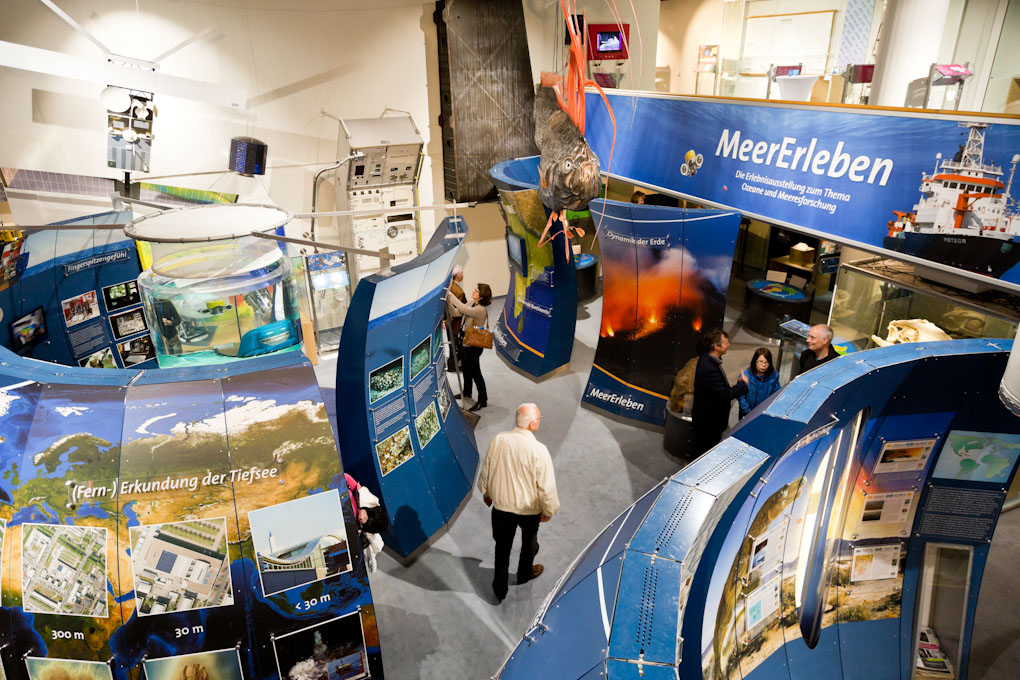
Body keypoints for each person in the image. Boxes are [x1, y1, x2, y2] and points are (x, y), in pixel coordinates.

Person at [477, 403, 559, 604]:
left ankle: (499, 589)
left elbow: (487, 469)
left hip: (502, 509)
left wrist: (486, 493)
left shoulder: (498, 440)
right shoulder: (540, 450)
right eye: (539, 419)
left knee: (502, 548)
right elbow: (546, 487)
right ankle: (524, 573)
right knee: (529, 543)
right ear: (532, 424)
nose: (539, 421)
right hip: (529, 511)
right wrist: (549, 510)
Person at [692, 329, 748, 456]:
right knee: (705, 453)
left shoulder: (707, 359)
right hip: (708, 423)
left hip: (707, 420)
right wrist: (742, 384)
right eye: (726, 343)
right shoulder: (710, 368)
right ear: (716, 347)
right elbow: (725, 394)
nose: (729, 345)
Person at [445, 282, 492, 412]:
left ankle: (483, 400)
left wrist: (449, 294)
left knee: (475, 372)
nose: (473, 291)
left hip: (473, 346)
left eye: (476, 291)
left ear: (481, 296)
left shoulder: (480, 310)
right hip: (465, 342)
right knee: (465, 369)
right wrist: (448, 302)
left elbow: (461, 307)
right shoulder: (472, 302)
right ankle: (467, 393)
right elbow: (456, 313)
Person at [344, 473, 389, 573]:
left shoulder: (354, 524)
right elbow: (343, 476)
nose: (362, 519)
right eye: (367, 517)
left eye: (365, 523)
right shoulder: (358, 493)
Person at [738, 348, 781, 419]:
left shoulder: (774, 375)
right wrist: (748, 413)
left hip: (765, 414)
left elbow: (777, 393)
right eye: (760, 362)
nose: (763, 365)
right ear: (755, 362)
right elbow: (741, 397)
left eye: (766, 362)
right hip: (747, 414)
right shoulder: (746, 375)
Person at [446, 265, 467, 370]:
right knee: (455, 345)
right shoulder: (459, 292)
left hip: (449, 322)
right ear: (458, 276)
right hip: (455, 323)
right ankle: (453, 365)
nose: (463, 274)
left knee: (452, 344)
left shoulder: (449, 287)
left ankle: (452, 363)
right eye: (462, 273)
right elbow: (457, 309)